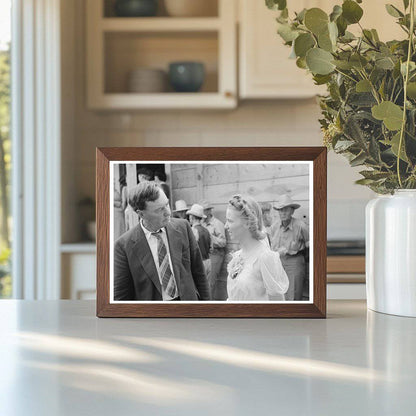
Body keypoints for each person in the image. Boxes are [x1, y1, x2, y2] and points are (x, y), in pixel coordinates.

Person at [114, 182, 210, 301]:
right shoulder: (123, 246)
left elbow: (199, 273)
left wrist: (206, 308)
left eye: (167, 204)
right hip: (153, 315)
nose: (168, 212)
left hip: (188, 307)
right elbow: (121, 297)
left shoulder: (183, 227)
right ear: (141, 214)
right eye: (159, 210)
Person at [225, 194, 289, 301]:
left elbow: (278, 304)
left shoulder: (265, 257)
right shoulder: (237, 256)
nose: (225, 225)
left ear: (247, 223)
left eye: (230, 221)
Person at [270, 194, 309, 301]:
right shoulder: (274, 227)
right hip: (278, 263)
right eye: (280, 210)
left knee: (293, 294)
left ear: (292, 211)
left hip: (294, 263)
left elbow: (310, 246)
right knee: (279, 294)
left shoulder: (301, 226)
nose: (283, 213)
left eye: (286, 209)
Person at [200, 200, 227, 300]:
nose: (203, 213)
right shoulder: (202, 223)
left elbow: (223, 242)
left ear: (209, 211)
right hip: (205, 255)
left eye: (204, 211)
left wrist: (209, 237)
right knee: (204, 284)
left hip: (216, 255)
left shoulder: (217, 224)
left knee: (210, 284)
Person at [186, 203, 212, 279]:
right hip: (208, 261)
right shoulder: (206, 230)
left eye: (190, 217)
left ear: (192, 217)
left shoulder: (193, 230)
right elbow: (211, 248)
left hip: (199, 263)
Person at [114, 175, 127, 240]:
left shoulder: (118, 190)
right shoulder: (123, 188)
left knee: (121, 227)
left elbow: (123, 201)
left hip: (119, 211)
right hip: (117, 211)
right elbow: (123, 202)